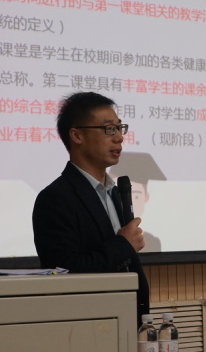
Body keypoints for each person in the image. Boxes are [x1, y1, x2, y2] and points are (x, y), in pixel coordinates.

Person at [32, 91, 150, 326]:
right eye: (109, 129)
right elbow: (65, 272)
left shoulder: (114, 192)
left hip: (127, 321)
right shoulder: (55, 198)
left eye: (120, 128)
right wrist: (124, 245)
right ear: (77, 135)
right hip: (87, 327)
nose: (119, 138)